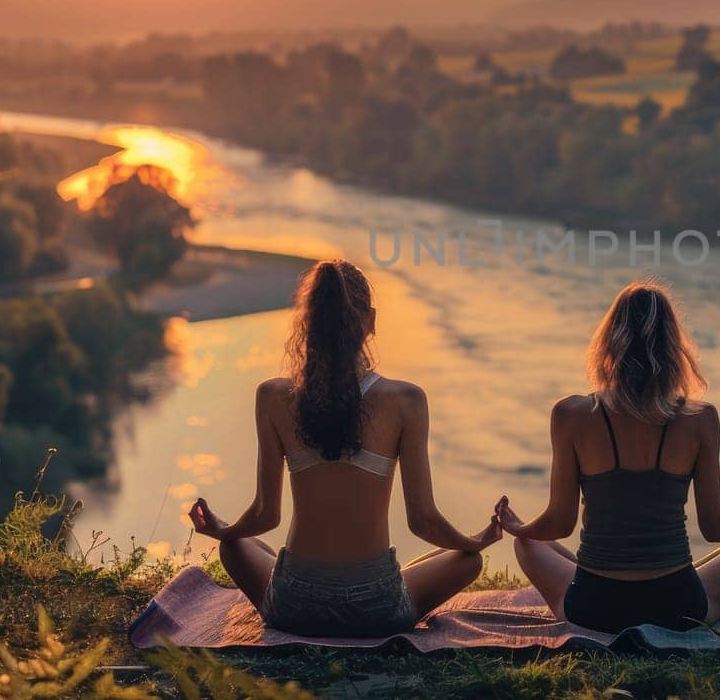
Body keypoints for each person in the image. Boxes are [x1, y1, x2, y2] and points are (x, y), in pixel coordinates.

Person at [188, 259, 499, 637]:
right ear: (370, 321)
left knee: (235, 547)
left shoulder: (272, 396)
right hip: (377, 609)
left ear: (308, 323)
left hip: (293, 606)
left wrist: (223, 530)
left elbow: (265, 516)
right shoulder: (406, 400)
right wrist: (475, 541)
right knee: (466, 561)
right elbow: (423, 522)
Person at [495, 280, 720, 633]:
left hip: (593, 607)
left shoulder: (570, 415)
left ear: (608, 341)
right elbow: (714, 527)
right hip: (678, 606)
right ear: (673, 347)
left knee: (528, 543)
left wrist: (518, 527)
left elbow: (559, 524)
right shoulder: (701, 419)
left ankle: (595, 579)